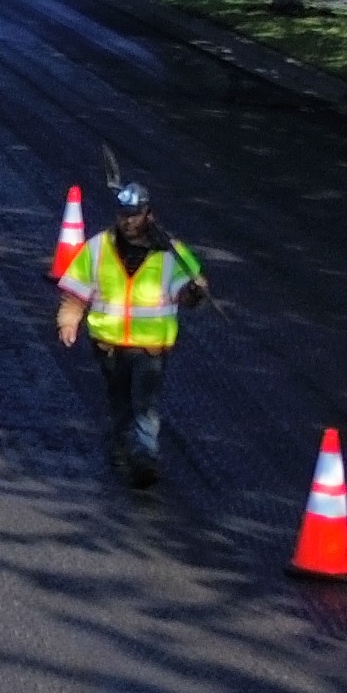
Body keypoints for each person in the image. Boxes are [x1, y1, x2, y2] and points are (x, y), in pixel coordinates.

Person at [55, 181, 211, 486]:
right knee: (120, 400)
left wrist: (196, 291)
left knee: (145, 402)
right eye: (124, 215)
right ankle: (122, 446)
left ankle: (145, 457)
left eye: (135, 215)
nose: (128, 222)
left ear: (148, 215)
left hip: (150, 347)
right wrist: (68, 321)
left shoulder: (170, 253)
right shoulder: (98, 248)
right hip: (109, 346)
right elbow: (75, 294)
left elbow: (188, 294)